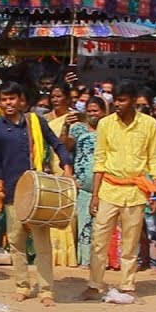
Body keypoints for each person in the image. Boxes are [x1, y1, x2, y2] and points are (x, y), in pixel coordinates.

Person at [0, 82, 73, 306]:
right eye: (4, 99)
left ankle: (46, 291)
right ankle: (22, 286)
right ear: (0, 102)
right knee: (16, 242)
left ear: (21, 100)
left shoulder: (36, 122)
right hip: (12, 191)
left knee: (42, 244)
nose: (8, 103)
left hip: (37, 191)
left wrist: (67, 166)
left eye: (12, 98)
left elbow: (57, 144)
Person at [82, 80, 156, 304]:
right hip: (108, 189)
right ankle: (95, 284)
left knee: (130, 242)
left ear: (133, 101)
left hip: (136, 191)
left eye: (122, 100)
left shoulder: (149, 125)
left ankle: (127, 285)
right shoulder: (105, 124)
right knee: (99, 240)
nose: (117, 104)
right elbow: (99, 161)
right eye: (115, 100)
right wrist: (95, 195)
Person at [68, 97, 106, 268]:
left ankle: (101, 262)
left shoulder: (109, 129)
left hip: (106, 184)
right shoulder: (77, 129)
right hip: (82, 184)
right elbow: (66, 149)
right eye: (89, 111)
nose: (92, 114)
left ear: (103, 112)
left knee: (102, 226)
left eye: (96, 111)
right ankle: (85, 260)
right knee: (84, 224)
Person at [44, 84, 79, 268]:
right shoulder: (44, 118)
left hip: (64, 169)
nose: (55, 99)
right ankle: (50, 256)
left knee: (66, 214)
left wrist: (65, 127)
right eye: (53, 96)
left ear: (67, 98)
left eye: (59, 96)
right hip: (47, 168)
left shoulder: (73, 119)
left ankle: (66, 259)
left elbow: (67, 147)